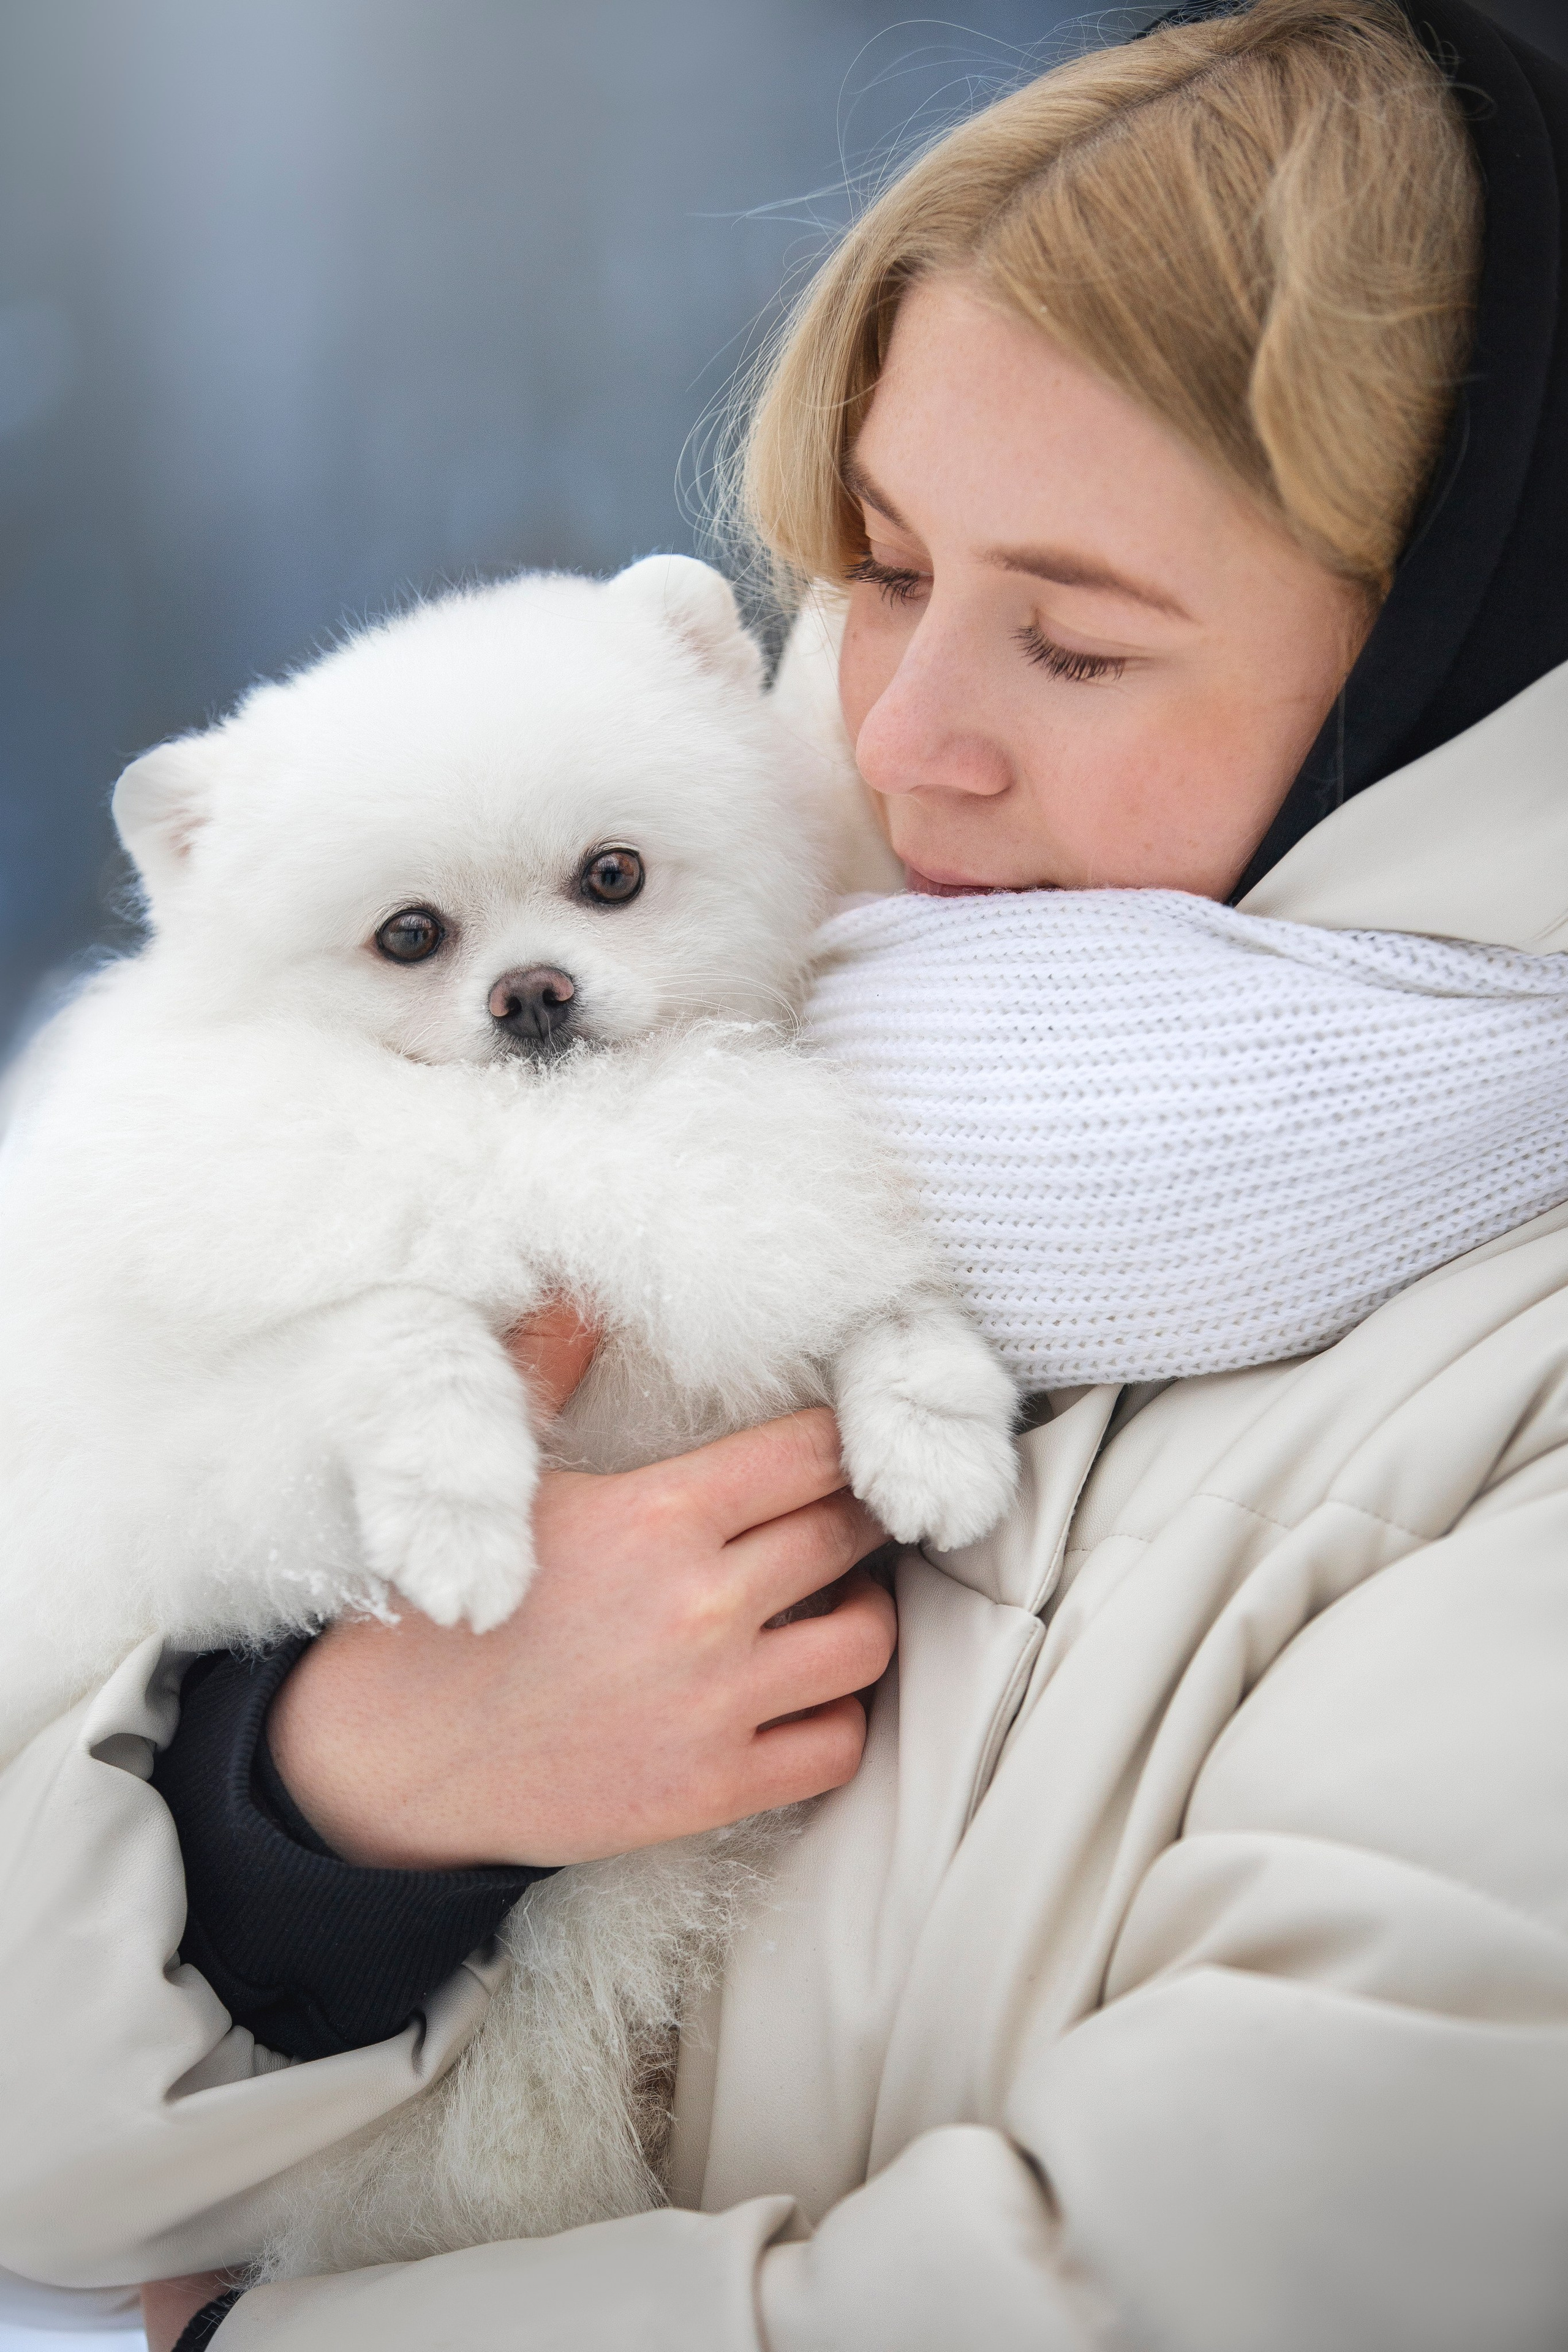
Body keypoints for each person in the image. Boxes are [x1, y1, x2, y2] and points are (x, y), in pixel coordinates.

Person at [4, 0, 1568, 2342]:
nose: (903, 731)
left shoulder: (1510, 1384)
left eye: (1071, 637)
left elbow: (1237, 2273)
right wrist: (320, 1807)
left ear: (1451, 668)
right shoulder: (609, 1049)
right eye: (886, 566)